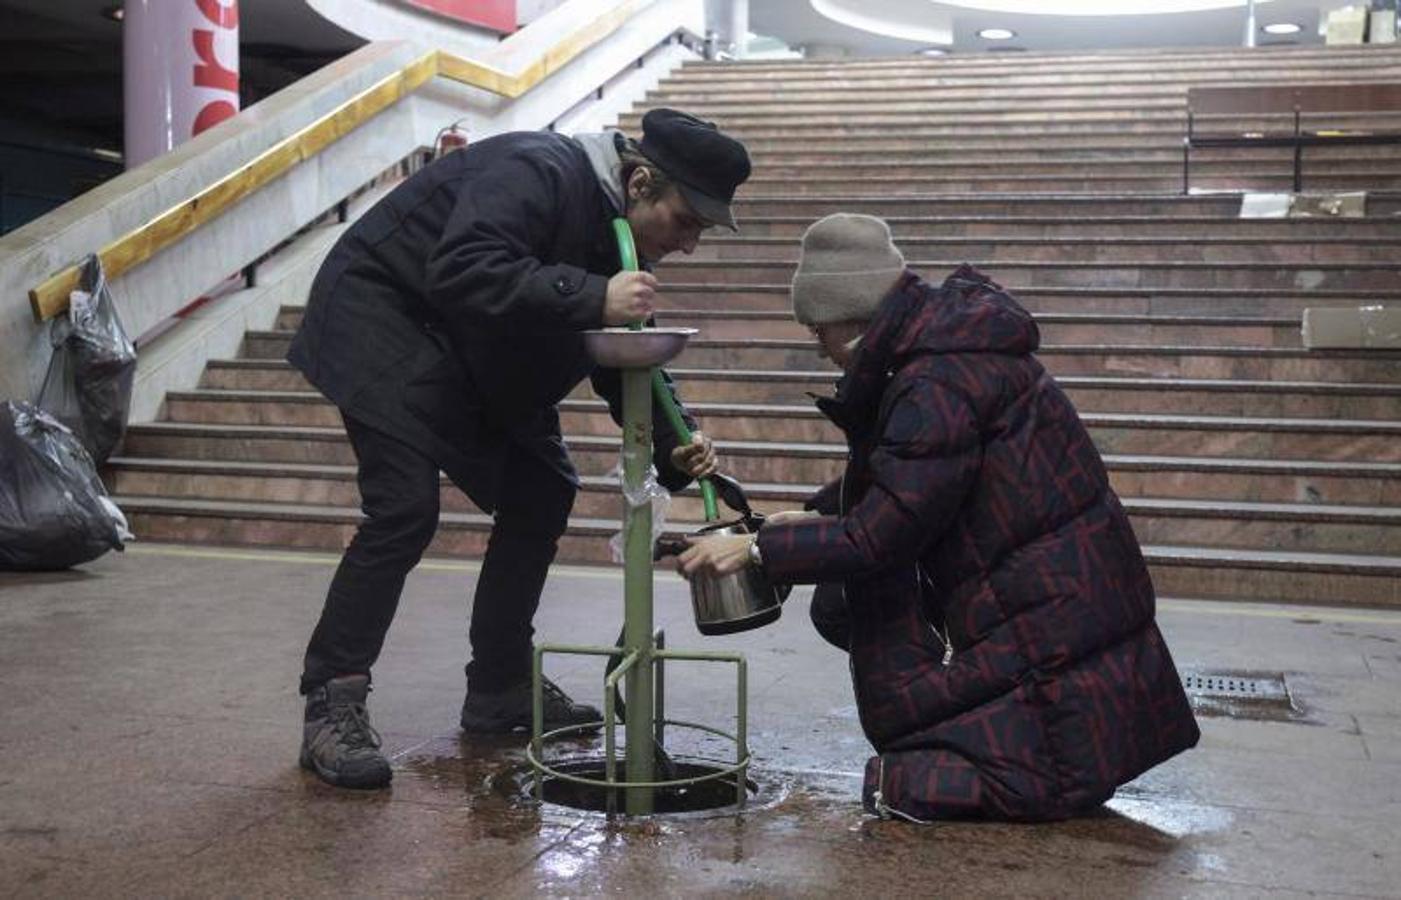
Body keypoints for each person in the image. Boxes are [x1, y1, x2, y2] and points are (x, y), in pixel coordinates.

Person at [679, 213, 1199, 822]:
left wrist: (756, 552)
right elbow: (914, 468)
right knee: (1008, 716)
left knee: (966, 751)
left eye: (817, 332)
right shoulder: (942, 353)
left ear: (848, 324)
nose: (818, 349)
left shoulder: (934, 381)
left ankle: (954, 777)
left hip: (1045, 603)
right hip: (1064, 588)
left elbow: (885, 532)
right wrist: (815, 513)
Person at [288, 109, 751, 789]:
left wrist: (675, 445)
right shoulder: (535, 170)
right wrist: (592, 293)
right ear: (642, 181)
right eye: (686, 222)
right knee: (403, 508)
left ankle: (500, 688)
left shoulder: (621, 234)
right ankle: (333, 700)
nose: (688, 245)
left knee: (541, 491)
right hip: (382, 318)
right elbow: (463, 268)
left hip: (475, 348)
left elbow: (621, 349)